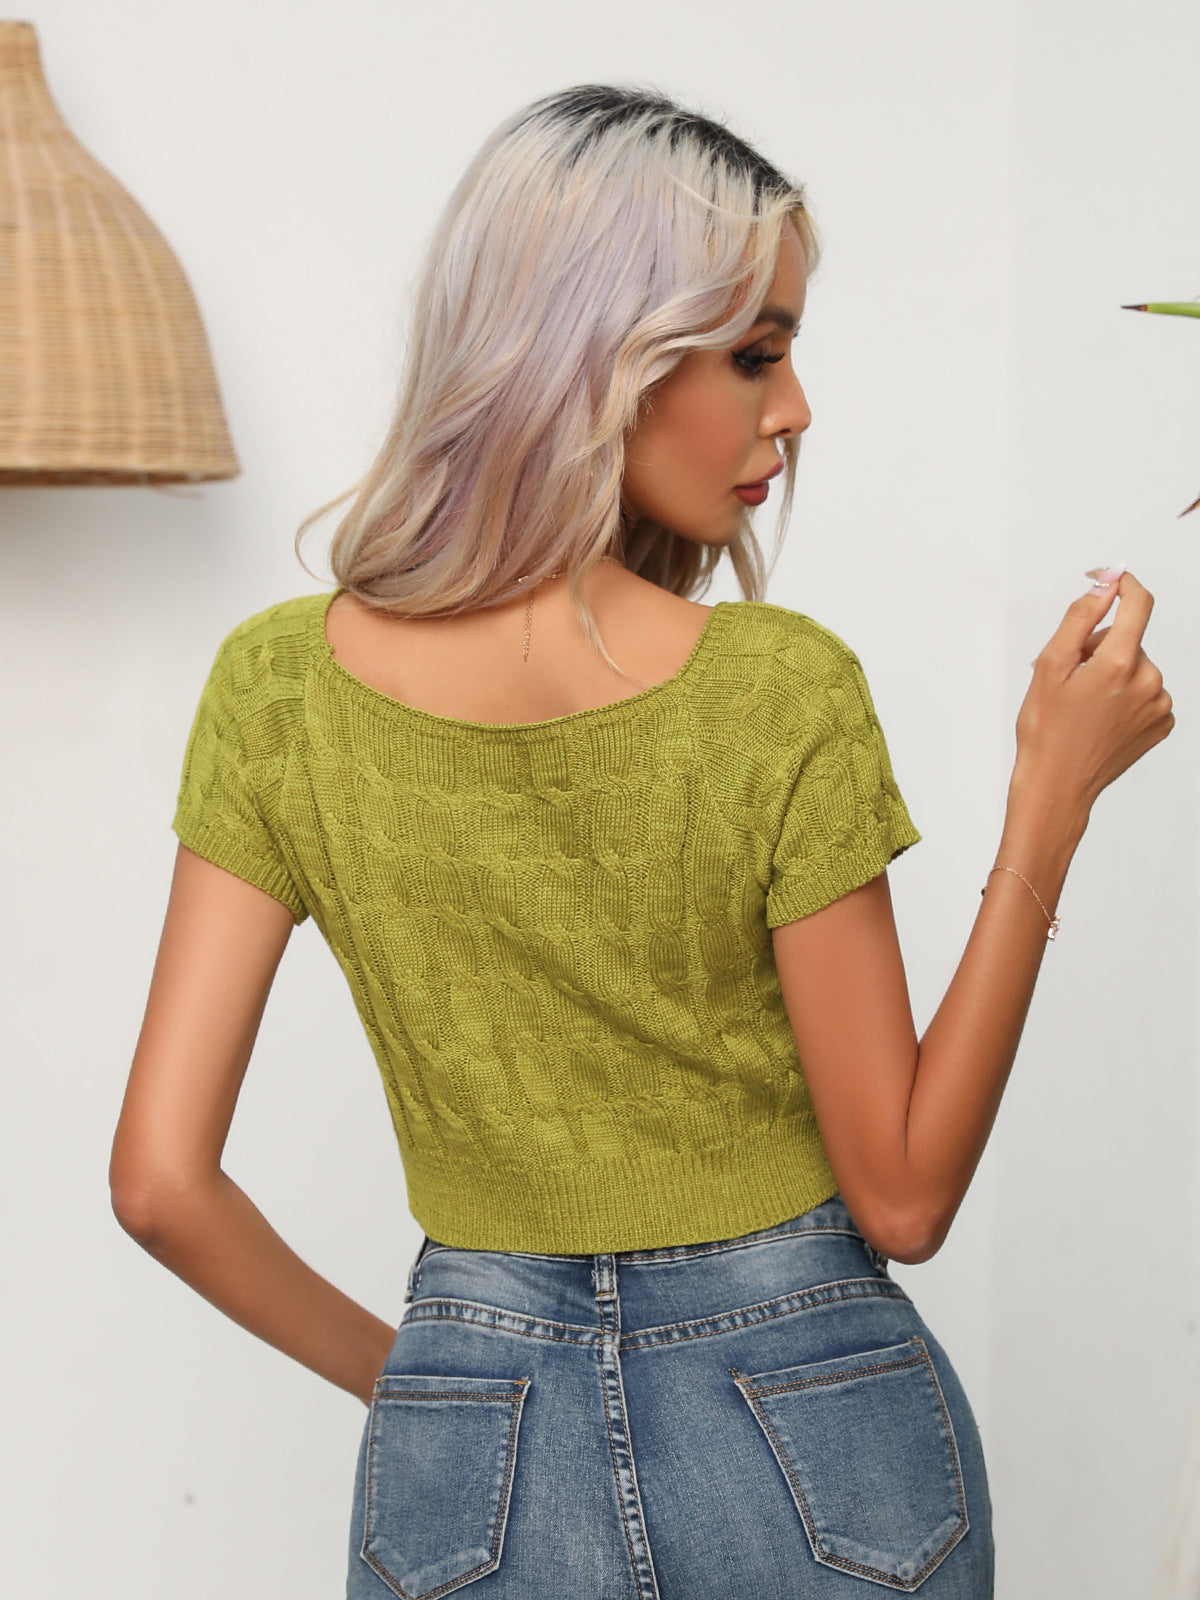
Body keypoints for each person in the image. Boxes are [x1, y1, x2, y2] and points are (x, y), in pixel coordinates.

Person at [110, 85, 1173, 1600]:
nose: (794, 409)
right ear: (602, 356)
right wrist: (1051, 799)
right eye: (755, 352)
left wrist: (437, 1387)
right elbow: (905, 1196)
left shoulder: (277, 691)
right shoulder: (773, 688)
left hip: (469, 1440)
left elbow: (160, 1183)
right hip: (818, 1434)